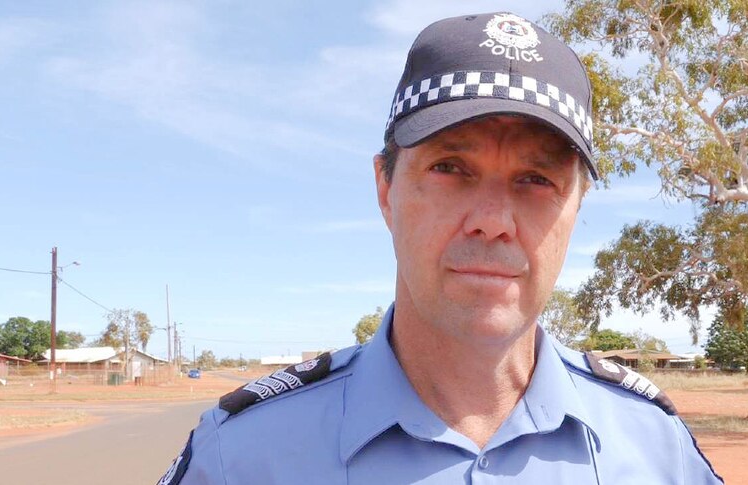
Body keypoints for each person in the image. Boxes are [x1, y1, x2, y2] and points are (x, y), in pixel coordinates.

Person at [157, 12, 723, 484]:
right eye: (450, 168)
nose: (493, 222)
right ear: (385, 188)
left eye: (536, 179)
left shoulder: (655, 450)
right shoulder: (242, 458)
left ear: (577, 206)